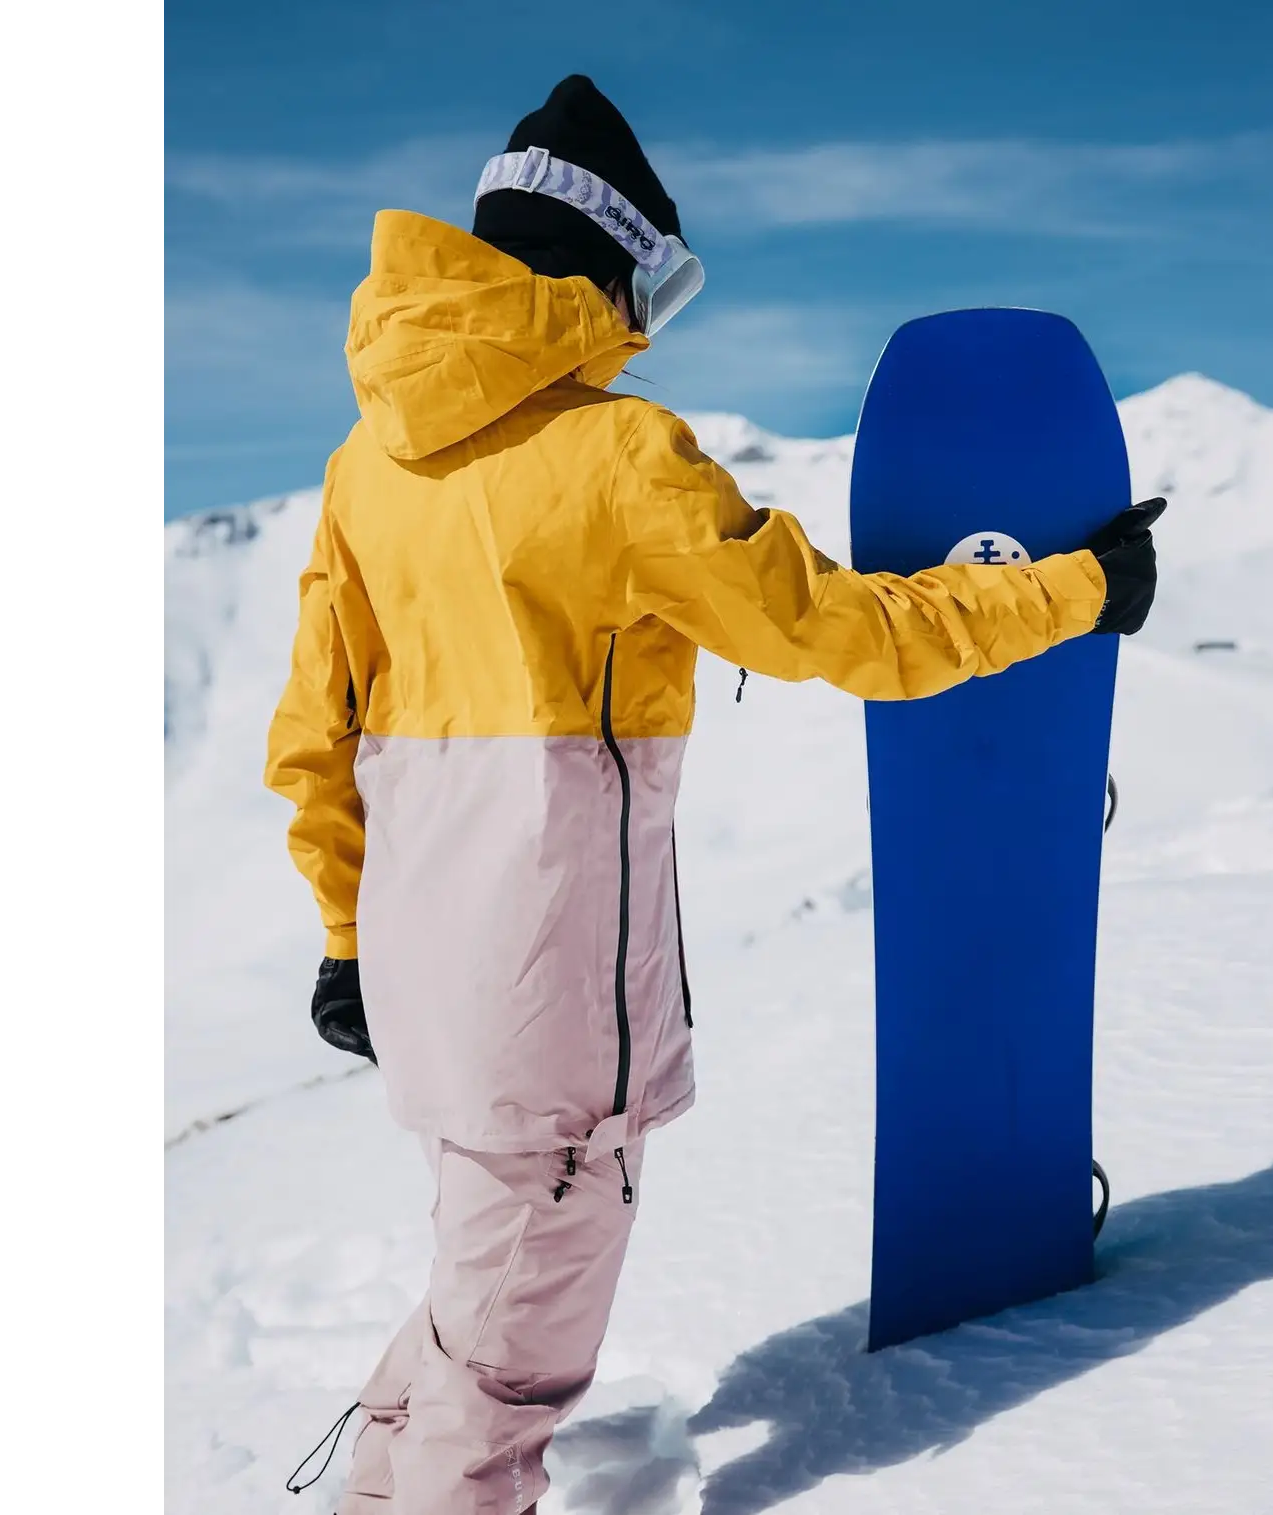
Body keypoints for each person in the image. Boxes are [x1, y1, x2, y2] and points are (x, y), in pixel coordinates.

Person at [264, 73, 1162, 1515]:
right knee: (507, 1370)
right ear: (601, 270)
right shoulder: (615, 457)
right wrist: (1076, 592)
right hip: (548, 1003)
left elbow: (316, 732)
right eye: (654, 288)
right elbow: (846, 634)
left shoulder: (364, 470)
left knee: (477, 1292)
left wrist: (343, 936)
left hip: (424, 982)